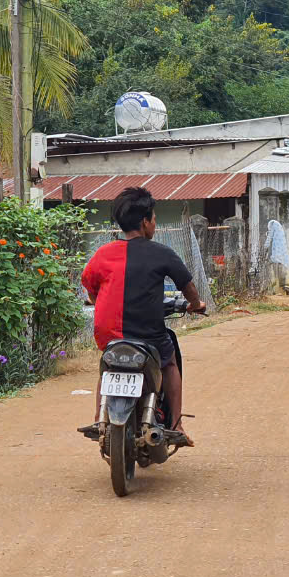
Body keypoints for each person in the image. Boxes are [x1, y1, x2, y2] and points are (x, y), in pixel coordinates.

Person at [79, 187, 206, 445]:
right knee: (169, 363)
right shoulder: (161, 252)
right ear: (146, 222)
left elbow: (90, 287)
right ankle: (176, 424)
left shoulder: (102, 253)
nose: (154, 224)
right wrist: (196, 304)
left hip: (110, 335)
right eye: (154, 219)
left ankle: (98, 418)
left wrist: (96, 300)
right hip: (149, 335)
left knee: (107, 366)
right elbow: (188, 285)